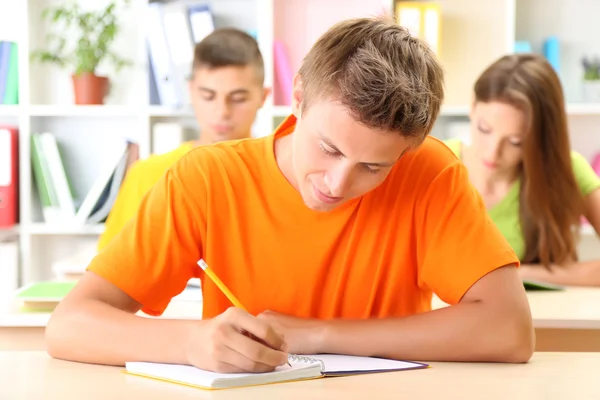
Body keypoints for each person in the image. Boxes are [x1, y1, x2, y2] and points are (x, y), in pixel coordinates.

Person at [46, 17, 534, 372]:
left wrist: (319, 334)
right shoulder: (207, 178)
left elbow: (510, 330)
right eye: (327, 147)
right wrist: (190, 341)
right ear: (297, 96)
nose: (338, 184)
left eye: (373, 167)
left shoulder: (430, 171)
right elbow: (69, 325)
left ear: (407, 151)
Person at [96, 28, 269, 250]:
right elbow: (109, 268)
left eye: (238, 99)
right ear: (191, 91)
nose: (221, 111)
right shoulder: (147, 175)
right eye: (208, 96)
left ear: (263, 97)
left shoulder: (283, 176)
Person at [444, 54, 600, 286]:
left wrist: (517, 273)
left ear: (542, 138)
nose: (492, 153)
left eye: (516, 141)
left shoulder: (568, 170)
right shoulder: (437, 165)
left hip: (541, 320)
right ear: (473, 107)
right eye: (484, 129)